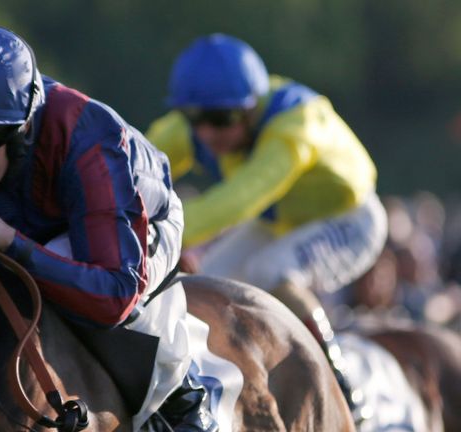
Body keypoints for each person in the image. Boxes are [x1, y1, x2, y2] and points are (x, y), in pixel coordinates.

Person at [0, 25, 217, 431]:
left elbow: (115, 293)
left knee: (76, 277)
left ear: (20, 130)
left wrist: (8, 240)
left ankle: (184, 402)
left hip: (138, 223)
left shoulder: (90, 140)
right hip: (43, 217)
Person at [146, 33, 388, 419]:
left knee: (272, 270)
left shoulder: (293, 125)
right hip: (280, 223)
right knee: (206, 282)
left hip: (351, 218)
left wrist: (152, 234)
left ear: (252, 108)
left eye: (220, 120)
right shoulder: (206, 121)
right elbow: (137, 163)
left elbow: (238, 201)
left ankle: (339, 380)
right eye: (194, 119)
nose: (206, 133)